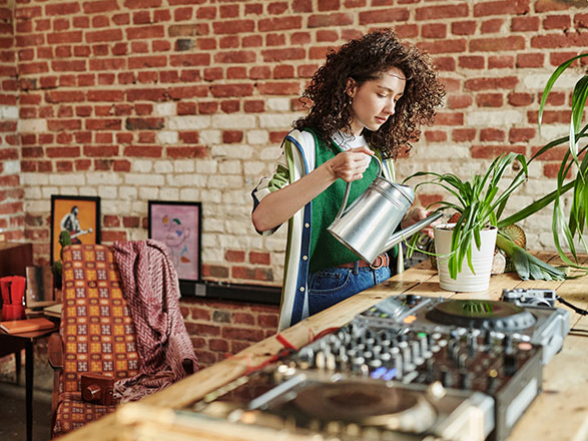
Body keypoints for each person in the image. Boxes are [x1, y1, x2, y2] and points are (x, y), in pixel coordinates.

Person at [251, 29, 445, 331]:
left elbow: (370, 221)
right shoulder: (306, 145)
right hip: (333, 286)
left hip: (384, 279)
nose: (391, 109)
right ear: (351, 86)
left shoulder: (379, 149)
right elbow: (263, 218)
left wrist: (408, 220)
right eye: (381, 94)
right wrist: (328, 172)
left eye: (397, 98)